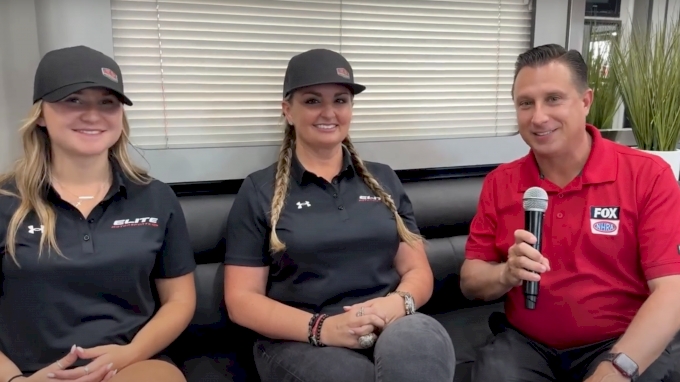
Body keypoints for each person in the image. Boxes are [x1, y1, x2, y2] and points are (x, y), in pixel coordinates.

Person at [222, 48, 456, 382]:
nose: (329, 112)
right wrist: (324, 328)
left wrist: (397, 304)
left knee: (420, 350)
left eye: (341, 100)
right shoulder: (259, 190)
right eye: (313, 101)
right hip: (300, 338)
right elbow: (241, 300)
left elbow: (417, 269)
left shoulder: (384, 179)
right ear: (288, 110)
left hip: (390, 322)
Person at [461, 43, 680, 382]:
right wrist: (506, 273)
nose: (538, 117)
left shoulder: (647, 175)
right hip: (527, 345)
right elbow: (471, 280)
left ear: (586, 101)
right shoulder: (500, 182)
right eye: (525, 103)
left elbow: (671, 291)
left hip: (620, 342)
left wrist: (616, 369)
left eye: (553, 99)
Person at [0, 46, 197, 382]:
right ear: (42, 115)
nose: (93, 115)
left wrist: (128, 355)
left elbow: (179, 299)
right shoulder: (6, 201)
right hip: (29, 373)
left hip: (133, 365)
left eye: (107, 102)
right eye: (73, 100)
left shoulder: (155, 197)